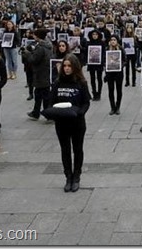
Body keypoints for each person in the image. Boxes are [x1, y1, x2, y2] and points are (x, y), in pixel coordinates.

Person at [49, 54, 91, 192]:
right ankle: (68, 176)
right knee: (65, 150)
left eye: (69, 66)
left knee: (77, 149)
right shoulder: (57, 83)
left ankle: (77, 175)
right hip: (62, 123)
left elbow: (86, 102)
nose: (66, 69)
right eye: (65, 66)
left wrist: (79, 113)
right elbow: (51, 101)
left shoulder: (81, 83)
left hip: (77, 122)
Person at [23, 29, 54, 120]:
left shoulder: (40, 47)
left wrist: (27, 53)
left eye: (35, 35)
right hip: (45, 71)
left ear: (38, 36)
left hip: (40, 73)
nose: (33, 36)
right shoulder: (48, 44)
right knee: (41, 93)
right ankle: (37, 112)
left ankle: (45, 113)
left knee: (41, 94)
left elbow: (34, 60)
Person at [105, 35, 126, 115]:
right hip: (110, 73)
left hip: (118, 73)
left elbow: (125, 60)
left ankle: (118, 107)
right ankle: (112, 107)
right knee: (111, 90)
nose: (113, 41)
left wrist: (120, 65)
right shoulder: (107, 49)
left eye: (114, 40)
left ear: (117, 41)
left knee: (119, 90)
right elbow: (104, 60)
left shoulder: (121, 49)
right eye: (111, 40)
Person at [87, 29, 105, 101]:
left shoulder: (102, 43)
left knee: (99, 78)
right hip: (91, 63)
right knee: (92, 78)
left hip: (99, 63)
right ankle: (94, 93)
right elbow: (86, 52)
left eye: (96, 34)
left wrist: (103, 62)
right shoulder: (89, 43)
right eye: (93, 35)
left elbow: (103, 53)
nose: (94, 36)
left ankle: (99, 93)